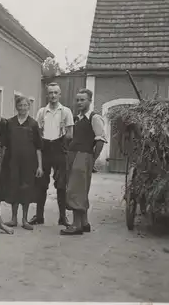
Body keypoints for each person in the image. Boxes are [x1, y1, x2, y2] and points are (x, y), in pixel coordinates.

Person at [60, 89, 106, 235]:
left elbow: (100, 141)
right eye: (78, 100)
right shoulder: (76, 118)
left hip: (84, 155)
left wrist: (92, 159)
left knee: (75, 190)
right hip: (74, 155)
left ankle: (76, 225)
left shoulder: (94, 117)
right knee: (79, 190)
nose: (79, 103)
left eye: (83, 100)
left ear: (89, 101)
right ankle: (84, 223)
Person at [30, 83, 74, 227]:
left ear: (60, 95)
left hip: (59, 148)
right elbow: (38, 132)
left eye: (56, 93)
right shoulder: (42, 112)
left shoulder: (66, 111)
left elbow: (70, 134)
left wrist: (60, 140)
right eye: (50, 93)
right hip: (44, 148)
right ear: (47, 95)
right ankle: (39, 216)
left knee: (61, 184)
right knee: (41, 184)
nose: (53, 96)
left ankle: (62, 217)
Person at [0, 96, 43, 230]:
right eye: (20, 105)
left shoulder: (34, 124)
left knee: (26, 189)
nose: (22, 108)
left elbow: (38, 147)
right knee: (13, 188)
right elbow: (4, 145)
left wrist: (40, 166)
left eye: (25, 105)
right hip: (12, 161)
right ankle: (13, 219)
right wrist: (2, 162)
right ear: (16, 107)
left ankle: (24, 219)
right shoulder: (9, 123)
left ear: (28, 107)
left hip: (29, 163)